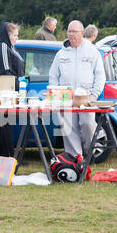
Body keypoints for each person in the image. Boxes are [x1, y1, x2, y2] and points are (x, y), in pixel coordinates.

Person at [48, 20, 106, 157]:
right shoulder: (61, 54)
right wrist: (57, 95)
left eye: (74, 32)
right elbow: (53, 76)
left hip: (86, 99)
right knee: (69, 130)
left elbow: (100, 76)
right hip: (66, 99)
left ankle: (88, 153)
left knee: (87, 125)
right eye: (69, 31)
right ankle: (75, 158)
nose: (71, 34)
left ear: (82, 33)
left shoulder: (92, 52)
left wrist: (93, 96)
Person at [0, 22, 25, 157]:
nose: (16, 38)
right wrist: (17, 86)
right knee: (5, 124)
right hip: (7, 91)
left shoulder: (11, 47)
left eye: (17, 35)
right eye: (14, 35)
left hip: (13, 90)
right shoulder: (3, 47)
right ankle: (6, 157)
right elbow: (6, 72)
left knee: (7, 124)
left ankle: (8, 156)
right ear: (7, 35)